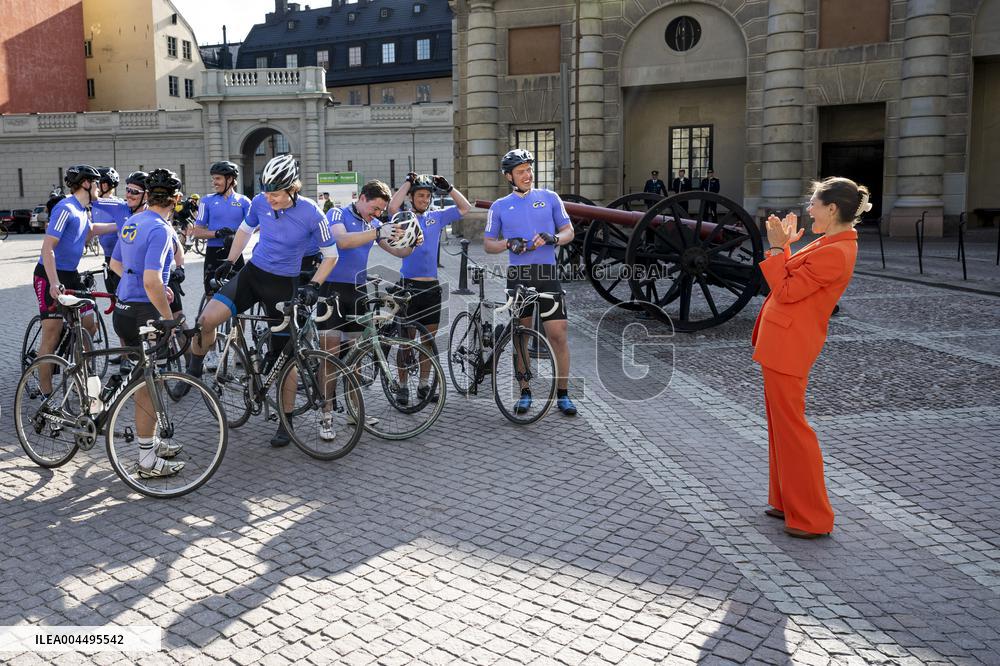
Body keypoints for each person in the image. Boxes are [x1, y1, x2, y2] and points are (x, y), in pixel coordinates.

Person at [184, 154, 340, 447]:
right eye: (267, 191)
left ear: (293, 188)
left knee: (288, 361)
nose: (270, 199)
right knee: (206, 319)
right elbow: (245, 230)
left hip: (284, 286)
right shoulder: (259, 202)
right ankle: (193, 371)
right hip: (252, 275)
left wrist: (314, 286)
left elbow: (332, 256)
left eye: (276, 193)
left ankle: (285, 421)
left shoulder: (312, 213)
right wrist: (230, 261)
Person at [752, 176, 870, 539]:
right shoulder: (829, 242)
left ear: (831, 209)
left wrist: (774, 250)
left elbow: (786, 291)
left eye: (814, 204)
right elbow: (791, 280)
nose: (809, 209)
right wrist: (785, 248)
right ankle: (786, 501)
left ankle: (811, 517)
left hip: (791, 346)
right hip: (782, 343)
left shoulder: (835, 250)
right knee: (780, 429)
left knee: (793, 431)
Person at [485, 148, 578, 416]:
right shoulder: (499, 206)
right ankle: (524, 391)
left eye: (529, 169)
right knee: (520, 337)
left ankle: (563, 394)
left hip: (547, 274)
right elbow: (489, 244)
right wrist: (508, 243)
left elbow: (569, 231)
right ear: (509, 176)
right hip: (519, 278)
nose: (528, 175)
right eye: (521, 171)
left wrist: (554, 238)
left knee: (558, 335)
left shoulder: (550, 198)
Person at [108, 169, 187, 479]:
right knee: (149, 385)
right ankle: (145, 458)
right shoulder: (161, 229)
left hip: (125, 310)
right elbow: (152, 278)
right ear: (176, 199)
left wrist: (149, 285)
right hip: (145, 314)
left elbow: (116, 265)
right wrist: (167, 316)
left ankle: (151, 444)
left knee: (147, 380)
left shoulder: (133, 222)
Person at [319, 180, 408, 424]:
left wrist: (411, 243)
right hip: (331, 290)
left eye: (381, 211)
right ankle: (326, 416)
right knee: (330, 356)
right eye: (375, 208)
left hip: (357, 292)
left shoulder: (373, 223)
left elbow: (396, 251)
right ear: (361, 198)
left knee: (354, 358)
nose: (377, 214)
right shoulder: (337, 212)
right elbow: (342, 241)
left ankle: (354, 412)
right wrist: (378, 230)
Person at [34, 165, 118, 395]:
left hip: (71, 275)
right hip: (49, 274)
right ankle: (46, 393)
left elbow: (89, 230)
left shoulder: (83, 210)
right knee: (51, 332)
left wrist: (121, 226)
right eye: (97, 183)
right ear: (86, 184)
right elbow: (47, 248)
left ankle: (73, 360)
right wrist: (52, 282)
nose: (100, 189)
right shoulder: (65, 208)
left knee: (89, 323)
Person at [387, 172, 471, 401]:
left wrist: (449, 188)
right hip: (408, 287)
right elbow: (392, 207)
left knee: (428, 343)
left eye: (427, 195)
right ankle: (402, 385)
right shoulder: (404, 217)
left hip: (431, 288)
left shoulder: (437, 217)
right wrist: (407, 182)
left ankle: (424, 385)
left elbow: (465, 208)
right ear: (412, 197)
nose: (424, 199)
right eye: (420, 195)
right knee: (406, 341)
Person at [190, 161, 250, 297]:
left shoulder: (244, 201)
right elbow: (197, 232)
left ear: (230, 179)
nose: (214, 182)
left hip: (234, 252)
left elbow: (255, 226)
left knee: (240, 296)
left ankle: (240, 319)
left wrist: (238, 233)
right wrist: (217, 233)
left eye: (218, 178)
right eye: (213, 179)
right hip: (213, 253)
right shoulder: (206, 201)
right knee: (211, 295)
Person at [92, 166, 125, 294]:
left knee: (121, 296)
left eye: (97, 183)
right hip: (107, 257)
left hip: (122, 259)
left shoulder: (118, 204)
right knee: (112, 295)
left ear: (105, 185)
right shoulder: (95, 205)